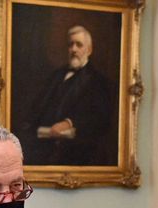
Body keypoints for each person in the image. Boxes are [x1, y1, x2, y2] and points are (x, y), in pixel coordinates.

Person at [19, 25, 114, 166]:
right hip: (43, 145)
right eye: (71, 44)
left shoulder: (99, 81)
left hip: (76, 152)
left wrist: (69, 123)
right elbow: (38, 107)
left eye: (79, 45)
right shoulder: (56, 75)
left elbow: (100, 117)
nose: (74, 49)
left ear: (89, 50)